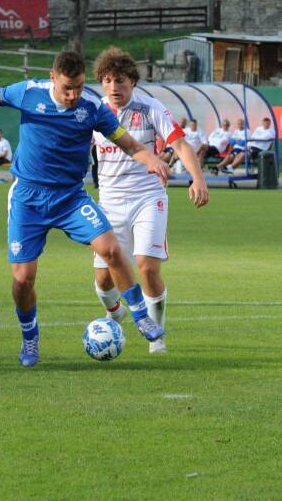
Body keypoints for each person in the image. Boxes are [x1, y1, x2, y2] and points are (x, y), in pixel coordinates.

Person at [0, 50, 171, 367]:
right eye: (67, 88)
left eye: (78, 87)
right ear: (53, 78)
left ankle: (140, 315)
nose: (73, 94)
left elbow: (129, 144)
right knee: (23, 279)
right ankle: (30, 337)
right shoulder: (28, 92)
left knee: (111, 249)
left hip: (70, 197)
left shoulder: (91, 108)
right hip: (28, 198)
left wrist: (153, 160)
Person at [90, 49, 209, 353]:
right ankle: (115, 313)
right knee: (104, 280)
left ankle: (156, 337)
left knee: (146, 267)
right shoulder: (94, 112)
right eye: (107, 81)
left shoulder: (150, 108)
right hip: (109, 202)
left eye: (120, 80)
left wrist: (198, 178)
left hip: (148, 198)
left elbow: (179, 144)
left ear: (132, 81)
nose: (114, 87)